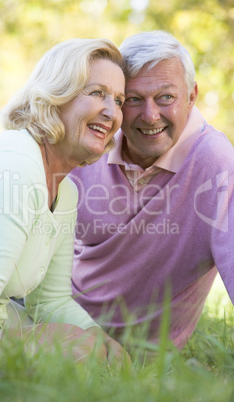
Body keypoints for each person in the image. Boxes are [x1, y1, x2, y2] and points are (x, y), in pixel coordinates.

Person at [0, 37, 128, 364]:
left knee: (85, 346)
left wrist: (99, 337)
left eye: (120, 100)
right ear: (57, 96)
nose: (112, 112)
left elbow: (49, 302)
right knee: (73, 349)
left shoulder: (66, 192)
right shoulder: (14, 167)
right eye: (97, 93)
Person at [70, 30, 234, 352]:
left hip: (136, 353)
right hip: (57, 317)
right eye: (133, 99)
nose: (150, 115)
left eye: (165, 97)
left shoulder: (216, 164)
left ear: (191, 96)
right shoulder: (91, 146)